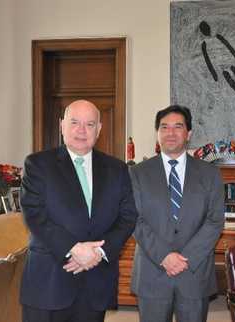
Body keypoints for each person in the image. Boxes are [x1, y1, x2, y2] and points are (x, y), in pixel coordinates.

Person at [20, 100, 138, 322]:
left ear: (99, 129)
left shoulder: (117, 169)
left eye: (90, 124)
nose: (81, 130)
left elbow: (128, 216)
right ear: (61, 125)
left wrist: (98, 253)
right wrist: (73, 248)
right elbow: (35, 215)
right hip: (49, 282)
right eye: (74, 122)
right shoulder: (37, 165)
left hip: (95, 282)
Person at [129, 105, 225, 322]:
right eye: (164, 127)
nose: (170, 133)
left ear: (189, 133)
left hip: (194, 272)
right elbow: (135, 219)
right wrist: (164, 256)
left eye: (178, 127)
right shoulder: (137, 173)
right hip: (152, 272)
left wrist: (185, 259)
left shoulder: (209, 173)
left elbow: (215, 219)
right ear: (157, 133)